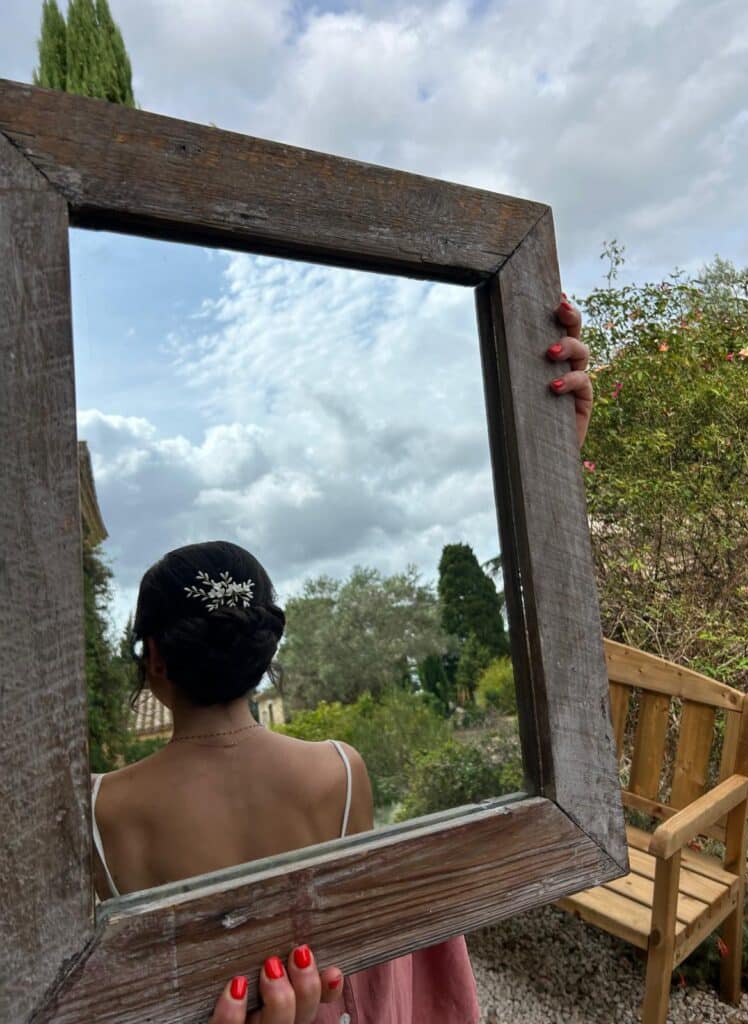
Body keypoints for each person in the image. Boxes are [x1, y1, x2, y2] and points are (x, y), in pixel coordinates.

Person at [92, 296, 590, 1024]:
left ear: (156, 660)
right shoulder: (341, 770)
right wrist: (550, 473)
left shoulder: (99, 808)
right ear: (265, 648)